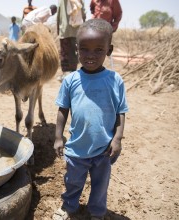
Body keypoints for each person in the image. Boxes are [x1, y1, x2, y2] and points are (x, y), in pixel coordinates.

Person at [52, 18, 128, 220]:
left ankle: (97, 212)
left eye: (98, 50)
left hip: (104, 148)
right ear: (77, 49)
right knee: (73, 181)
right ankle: (69, 206)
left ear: (108, 50)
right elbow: (62, 110)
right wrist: (58, 137)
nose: (91, 56)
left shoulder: (115, 80)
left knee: (100, 184)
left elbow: (121, 112)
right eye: (85, 49)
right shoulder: (70, 80)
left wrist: (117, 139)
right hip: (77, 147)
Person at [56, 0, 85, 81]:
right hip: (77, 30)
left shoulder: (61, 1)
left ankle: (66, 74)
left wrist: (58, 30)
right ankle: (73, 72)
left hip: (64, 30)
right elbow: (83, 13)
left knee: (65, 53)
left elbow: (58, 15)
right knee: (74, 52)